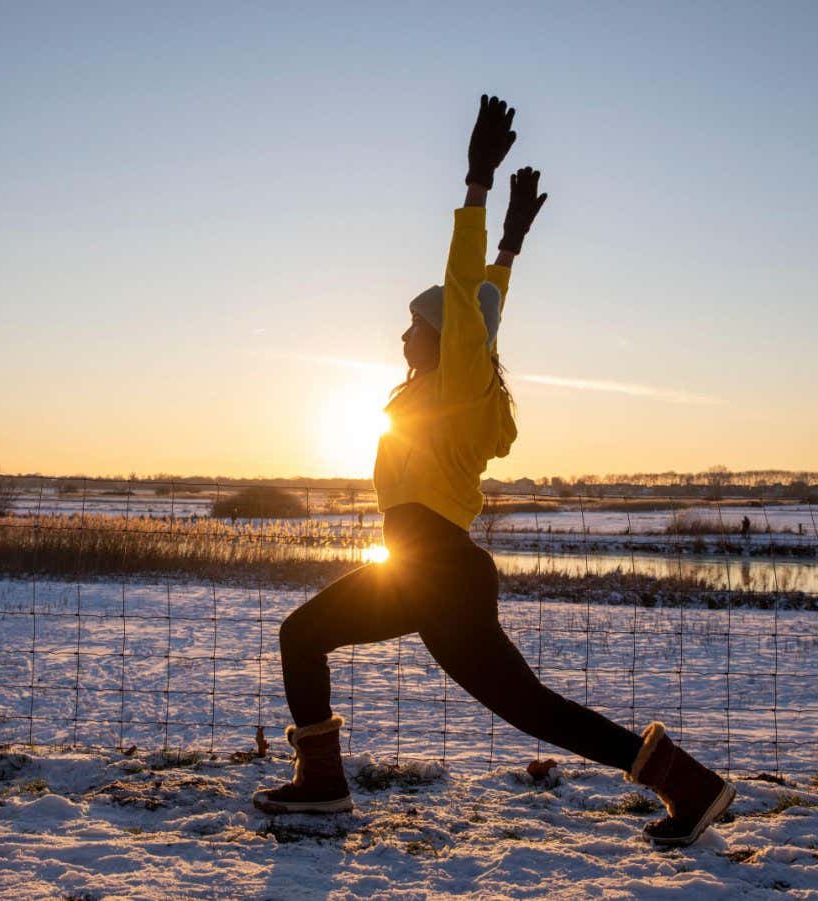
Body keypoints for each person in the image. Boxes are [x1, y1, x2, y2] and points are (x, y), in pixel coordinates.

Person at [252, 95, 735, 847]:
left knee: (302, 635)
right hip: (433, 568)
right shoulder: (446, 392)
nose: (402, 332)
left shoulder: (457, 382)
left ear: (445, 338)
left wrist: (475, 187)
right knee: (529, 705)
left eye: (415, 324)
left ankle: (322, 785)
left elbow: (469, 306)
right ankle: (688, 783)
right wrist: (510, 245)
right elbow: (485, 304)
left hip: (434, 567)